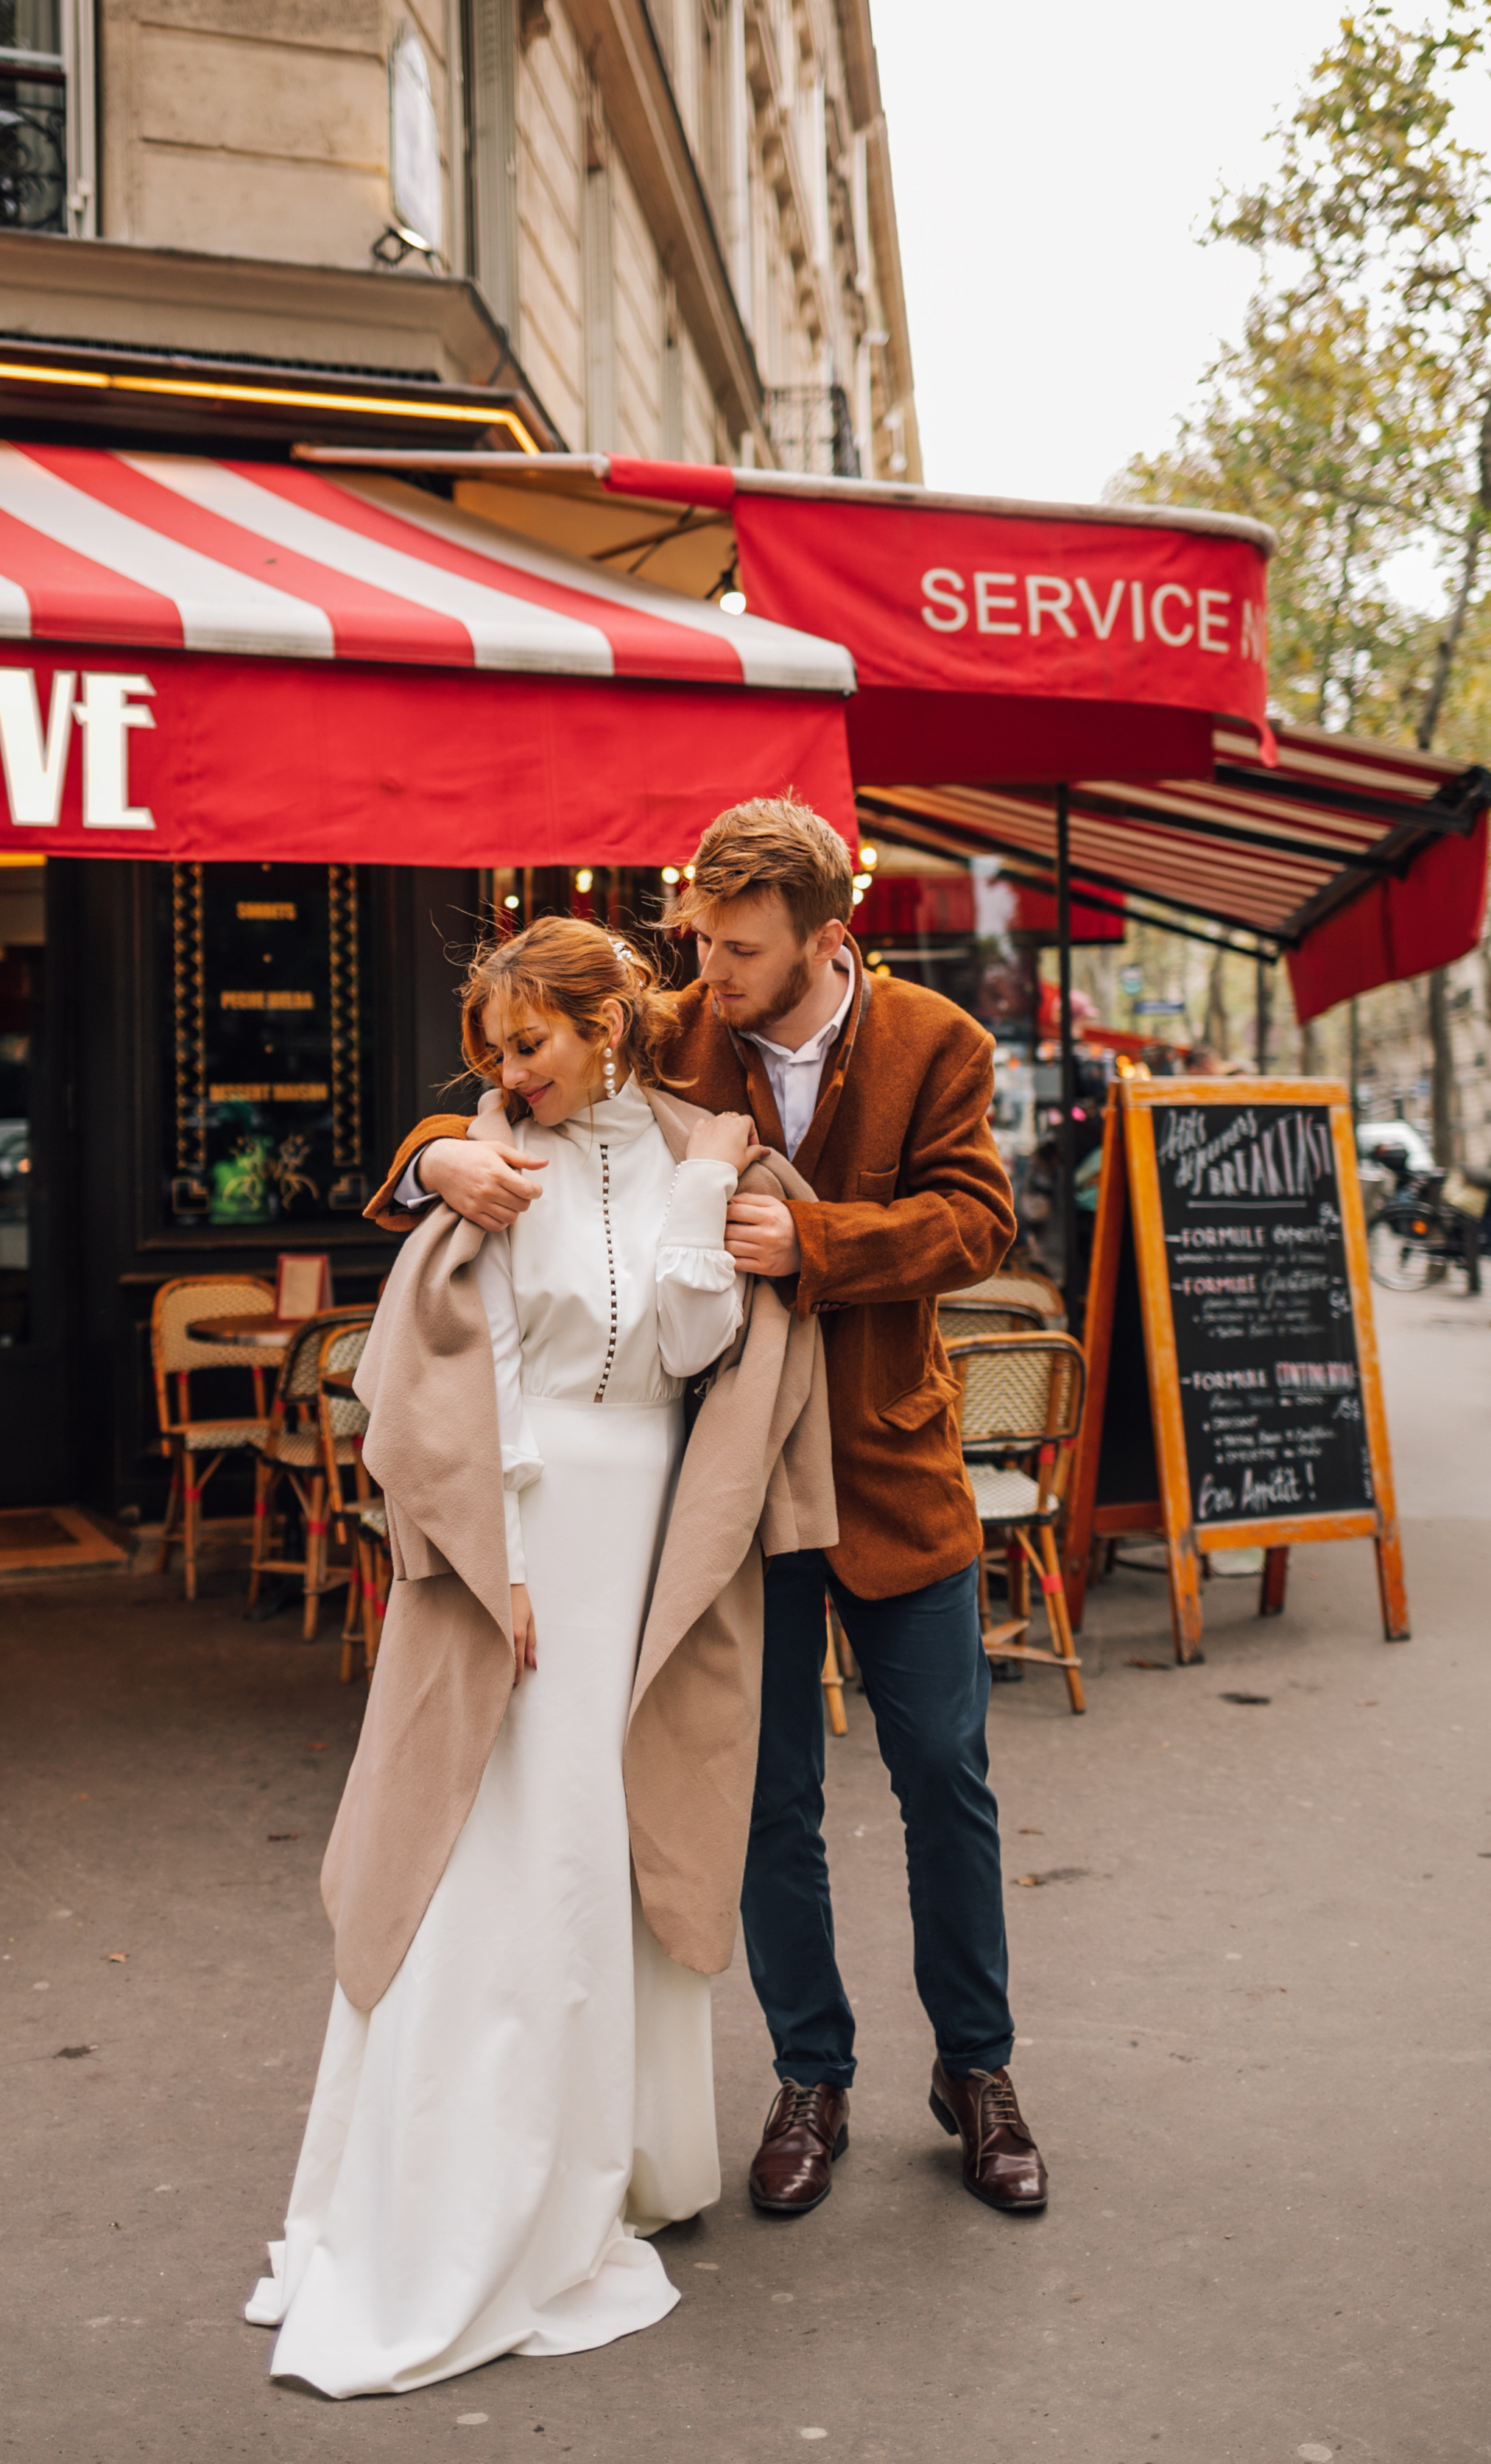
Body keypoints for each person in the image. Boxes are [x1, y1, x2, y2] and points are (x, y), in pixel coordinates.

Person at [372, 798, 1048, 2221]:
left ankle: (977, 2073)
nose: (710, 971)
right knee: (766, 1800)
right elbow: (521, 1077)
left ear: (825, 935)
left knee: (944, 1779)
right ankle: (814, 2074)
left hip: (893, 1472)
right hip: (734, 1497)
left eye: (739, 949)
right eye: (700, 939)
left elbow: (976, 1225)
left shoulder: (942, 1042)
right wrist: (435, 1159)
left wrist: (818, 1241)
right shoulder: (673, 1026)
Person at [247, 916, 836, 2396]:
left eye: (532, 1044)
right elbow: (470, 1362)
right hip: (527, 1532)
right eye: (492, 1053)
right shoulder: (485, 1157)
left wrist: (705, 1189)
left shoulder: (701, 1142)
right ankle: (471, 2179)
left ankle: (629, 2159)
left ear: (609, 1025)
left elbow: (704, 1339)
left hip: (651, 1528)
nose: (509, 1074)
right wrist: (489, 1561)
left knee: (620, 1826)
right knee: (507, 1840)